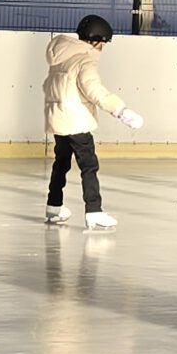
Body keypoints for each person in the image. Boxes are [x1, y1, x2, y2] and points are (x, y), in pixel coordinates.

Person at [44, 15, 144, 228]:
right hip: (77, 121)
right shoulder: (84, 59)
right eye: (104, 43)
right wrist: (122, 111)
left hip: (59, 120)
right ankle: (94, 211)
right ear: (96, 40)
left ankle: (54, 206)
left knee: (61, 163)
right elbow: (94, 91)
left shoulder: (61, 57)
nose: (103, 48)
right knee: (89, 166)